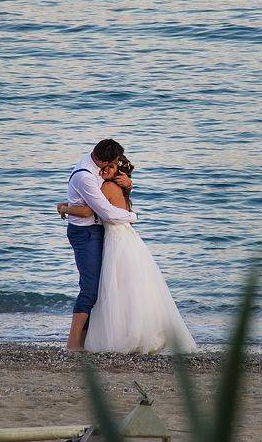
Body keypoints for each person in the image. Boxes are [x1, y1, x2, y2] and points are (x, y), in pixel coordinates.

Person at [58, 153, 196, 354]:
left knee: (115, 288)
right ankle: (131, 330)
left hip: (116, 240)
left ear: (118, 171)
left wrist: (63, 207)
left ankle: (117, 335)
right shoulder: (119, 187)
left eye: (111, 167)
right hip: (126, 239)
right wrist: (129, 186)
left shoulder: (106, 187)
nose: (105, 170)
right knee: (128, 289)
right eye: (106, 166)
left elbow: (88, 211)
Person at [62, 139, 137, 351]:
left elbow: (93, 209)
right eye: (112, 162)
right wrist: (134, 216)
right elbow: (105, 212)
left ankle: (85, 341)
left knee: (102, 286)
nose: (113, 165)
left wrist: (128, 184)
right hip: (86, 234)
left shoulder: (99, 171)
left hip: (99, 232)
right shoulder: (86, 177)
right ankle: (73, 344)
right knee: (90, 289)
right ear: (104, 161)